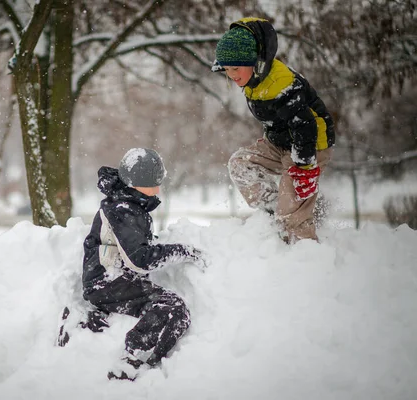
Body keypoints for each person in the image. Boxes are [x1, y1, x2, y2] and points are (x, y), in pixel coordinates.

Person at [82, 148, 206, 381]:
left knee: (170, 308)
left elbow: (133, 247)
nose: (158, 189)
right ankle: (132, 359)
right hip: (107, 282)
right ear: (137, 183)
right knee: (173, 310)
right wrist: (182, 251)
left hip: (113, 279)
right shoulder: (123, 210)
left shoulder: (128, 205)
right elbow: (140, 259)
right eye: (153, 183)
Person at [212, 17, 335, 243]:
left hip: (309, 145)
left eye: (236, 68)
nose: (232, 74)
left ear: (255, 60)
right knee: (240, 164)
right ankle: (274, 210)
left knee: (292, 207)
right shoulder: (254, 79)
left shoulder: (281, 83)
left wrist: (305, 167)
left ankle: (303, 253)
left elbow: (305, 125)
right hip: (279, 143)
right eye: (227, 69)